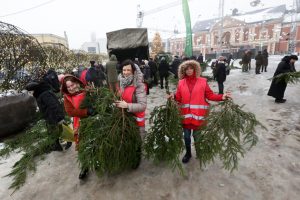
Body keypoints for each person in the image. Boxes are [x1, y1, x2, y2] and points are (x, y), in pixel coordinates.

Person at [169, 60, 231, 164]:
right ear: (183, 71)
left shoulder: (202, 81)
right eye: (186, 69)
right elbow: (179, 98)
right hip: (185, 116)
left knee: (197, 137)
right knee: (187, 137)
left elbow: (210, 95)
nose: (189, 70)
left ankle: (199, 151)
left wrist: (222, 97)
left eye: (191, 68)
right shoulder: (181, 83)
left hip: (198, 116)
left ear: (195, 69)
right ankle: (188, 153)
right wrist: (173, 96)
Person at [25, 69, 71, 152]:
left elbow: (54, 105)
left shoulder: (44, 94)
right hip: (50, 116)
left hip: (54, 115)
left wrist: (60, 118)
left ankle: (69, 141)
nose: (30, 93)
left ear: (34, 90)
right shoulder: (41, 93)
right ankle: (57, 145)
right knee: (53, 131)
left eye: (30, 92)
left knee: (61, 128)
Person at [61, 75, 94, 179]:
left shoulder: (86, 91)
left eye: (73, 85)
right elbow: (70, 111)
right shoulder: (67, 98)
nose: (71, 88)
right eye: (68, 87)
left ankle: (97, 160)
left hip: (92, 120)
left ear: (77, 83)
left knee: (94, 141)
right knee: (82, 145)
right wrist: (86, 112)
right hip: (79, 123)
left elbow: (95, 100)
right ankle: (84, 166)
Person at [115, 59, 147, 140]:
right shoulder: (122, 82)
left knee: (138, 143)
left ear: (133, 71)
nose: (125, 72)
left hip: (137, 122)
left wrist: (127, 105)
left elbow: (143, 106)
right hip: (126, 120)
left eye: (128, 70)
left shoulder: (139, 85)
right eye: (124, 70)